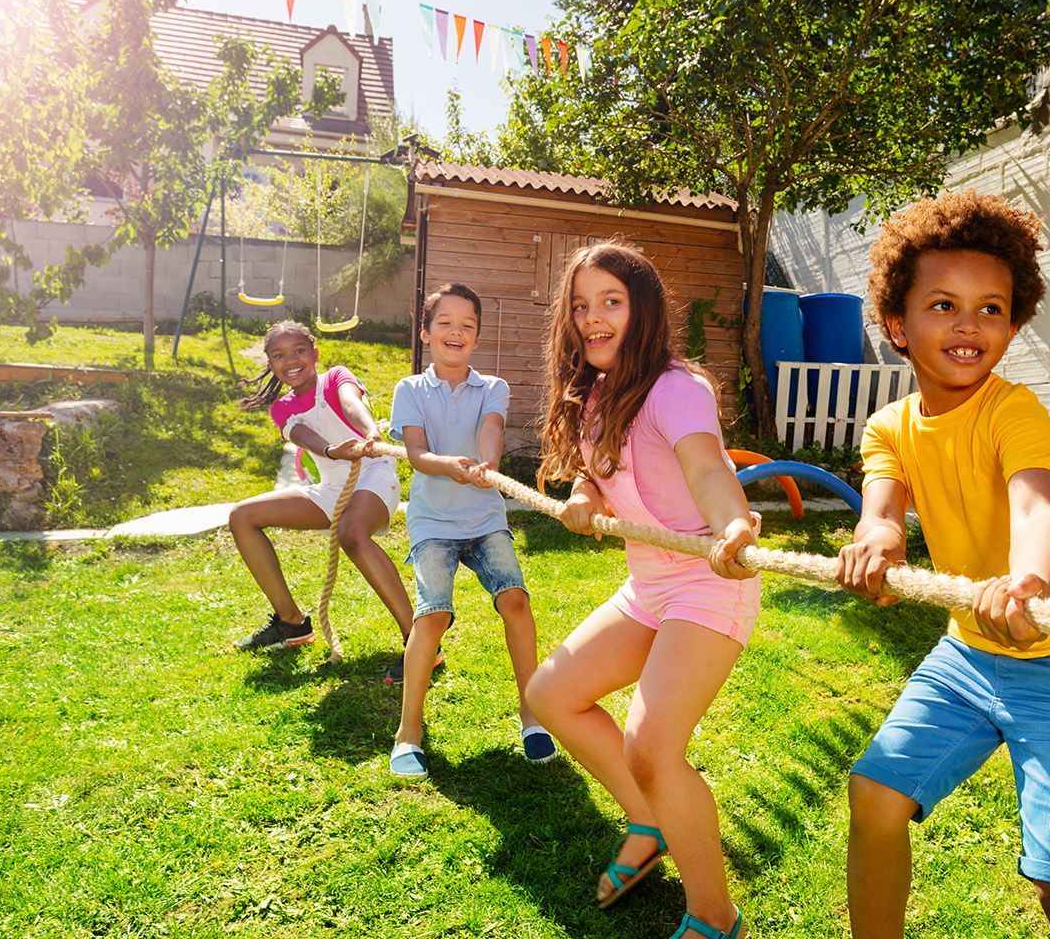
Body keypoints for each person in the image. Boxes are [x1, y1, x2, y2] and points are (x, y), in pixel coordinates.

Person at [836, 191, 1050, 939]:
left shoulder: (1015, 410)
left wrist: (1030, 580)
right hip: (969, 653)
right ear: (897, 326)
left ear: (1013, 322)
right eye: (943, 304)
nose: (969, 324)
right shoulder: (888, 428)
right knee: (874, 796)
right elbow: (881, 506)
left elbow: (1040, 510)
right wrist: (877, 537)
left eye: (991, 309)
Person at [525, 243, 757, 939]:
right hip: (649, 587)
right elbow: (599, 470)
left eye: (611, 302)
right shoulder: (598, 391)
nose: (592, 318)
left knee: (651, 744)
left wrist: (735, 524)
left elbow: (708, 469)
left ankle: (715, 918)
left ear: (643, 308)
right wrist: (580, 491)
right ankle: (648, 820)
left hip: (707, 585)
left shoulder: (676, 387)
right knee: (550, 696)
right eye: (580, 306)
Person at [375, 283, 555, 778]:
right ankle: (408, 732)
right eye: (446, 323)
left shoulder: (492, 386)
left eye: (467, 325)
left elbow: (491, 429)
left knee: (515, 599)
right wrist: (448, 465)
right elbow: (415, 453)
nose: (457, 332)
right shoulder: (410, 390)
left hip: (483, 517)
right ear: (426, 332)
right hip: (433, 521)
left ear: (477, 336)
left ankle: (532, 715)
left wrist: (488, 462)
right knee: (431, 617)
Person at [228, 320, 413, 662]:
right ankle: (291, 622)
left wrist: (370, 431)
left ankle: (416, 640)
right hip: (332, 486)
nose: (291, 360)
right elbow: (301, 435)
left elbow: (351, 404)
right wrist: (331, 450)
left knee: (352, 534)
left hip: (373, 475)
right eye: (279, 355)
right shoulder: (281, 407)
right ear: (270, 364)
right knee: (242, 516)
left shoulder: (335, 378)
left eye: (299, 351)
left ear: (314, 354)